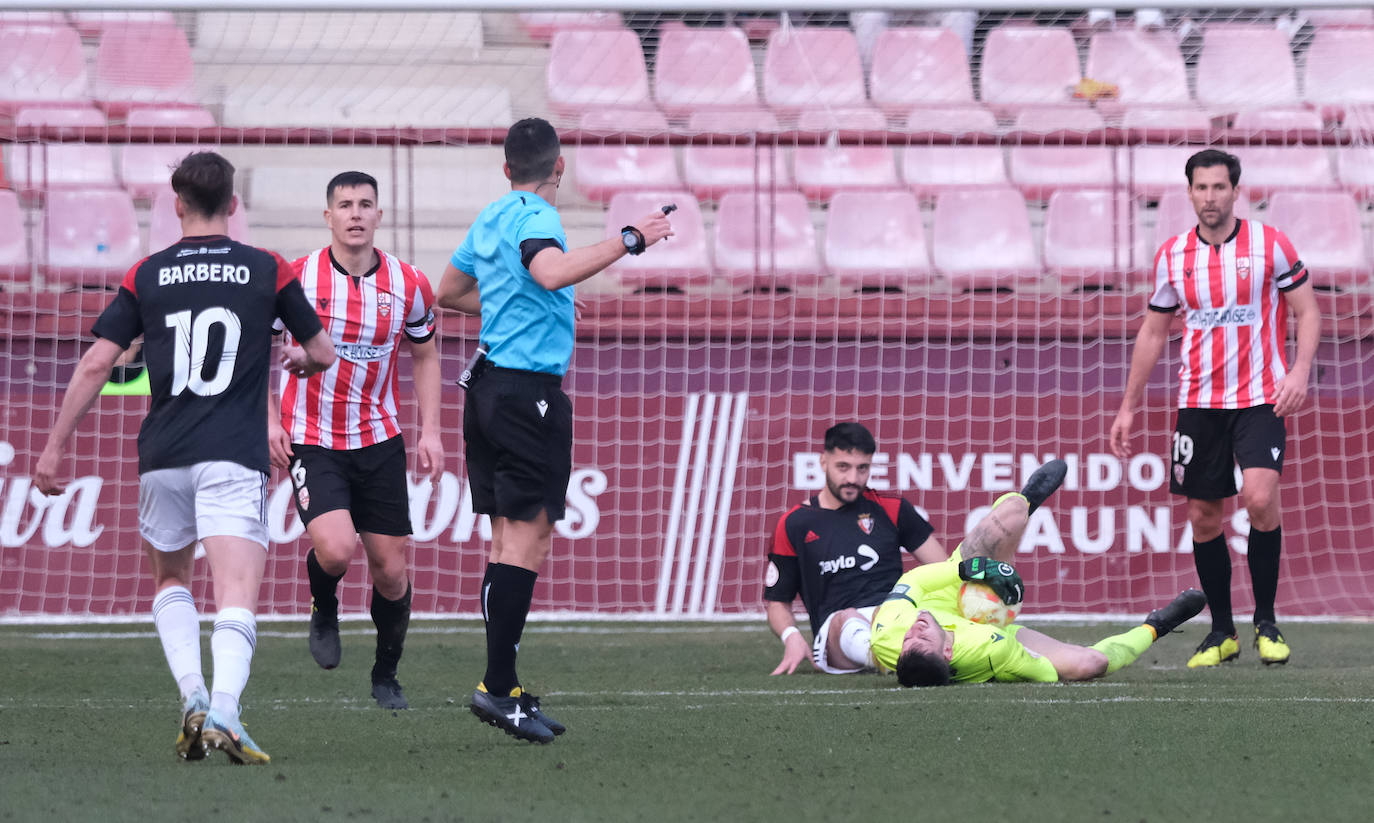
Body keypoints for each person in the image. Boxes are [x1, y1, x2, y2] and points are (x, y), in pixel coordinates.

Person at [32, 151, 335, 763]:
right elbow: (321, 349)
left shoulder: (146, 272)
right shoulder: (267, 268)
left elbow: (97, 363)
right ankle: (224, 710)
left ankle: (193, 697)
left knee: (172, 579)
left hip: (164, 454)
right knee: (236, 593)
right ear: (232, 204)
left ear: (175, 205)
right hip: (232, 453)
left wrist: (55, 445)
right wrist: (303, 361)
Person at [435, 117, 674, 744]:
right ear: (558, 167)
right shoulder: (539, 219)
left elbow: (448, 290)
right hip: (525, 394)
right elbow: (549, 272)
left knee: (505, 539)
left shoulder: (491, 215)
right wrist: (630, 238)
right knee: (529, 540)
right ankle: (496, 687)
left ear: (506, 167)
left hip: (486, 389)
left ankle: (504, 686)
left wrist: (519, 303)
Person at [1110, 149, 1320, 668]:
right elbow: (1154, 332)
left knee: (1259, 496)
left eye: (1219, 188)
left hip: (1260, 397)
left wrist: (1298, 372)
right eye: (1201, 188)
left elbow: (1308, 311)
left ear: (1235, 190)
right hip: (1198, 403)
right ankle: (1222, 631)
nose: (1210, 197)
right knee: (1204, 518)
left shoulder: (1270, 244)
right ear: (1189, 193)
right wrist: (1129, 406)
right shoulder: (1173, 256)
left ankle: (1266, 621)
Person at [268, 170, 443, 711]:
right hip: (312, 436)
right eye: (344, 204)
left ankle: (386, 674)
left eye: (365, 204)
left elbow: (426, 353)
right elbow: (258, 348)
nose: (356, 213)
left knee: (392, 572)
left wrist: (431, 430)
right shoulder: (295, 278)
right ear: (328, 217)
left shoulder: (409, 283)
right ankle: (324, 606)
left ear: (379, 215)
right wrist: (269, 421)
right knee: (337, 549)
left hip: (379, 439)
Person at [865, 460, 1209, 686]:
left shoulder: (888, 636)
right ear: (948, 653)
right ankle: (1157, 625)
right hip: (989, 631)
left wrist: (970, 569)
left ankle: (1028, 499)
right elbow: (1045, 673)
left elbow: (914, 580)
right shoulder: (990, 650)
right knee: (1089, 664)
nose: (915, 629)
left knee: (1007, 521)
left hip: (946, 591)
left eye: (909, 639)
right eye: (922, 639)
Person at [763, 422, 946, 676]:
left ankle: (909, 657)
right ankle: (897, 661)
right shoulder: (794, 523)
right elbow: (777, 602)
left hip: (893, 616)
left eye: (862, 469)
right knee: (847, 619)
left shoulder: (892, 508)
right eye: (843, 467)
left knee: (924, 619)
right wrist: (791, 636)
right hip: (837, 635)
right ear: (823, 462)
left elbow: (943, 571)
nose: (853, 478)